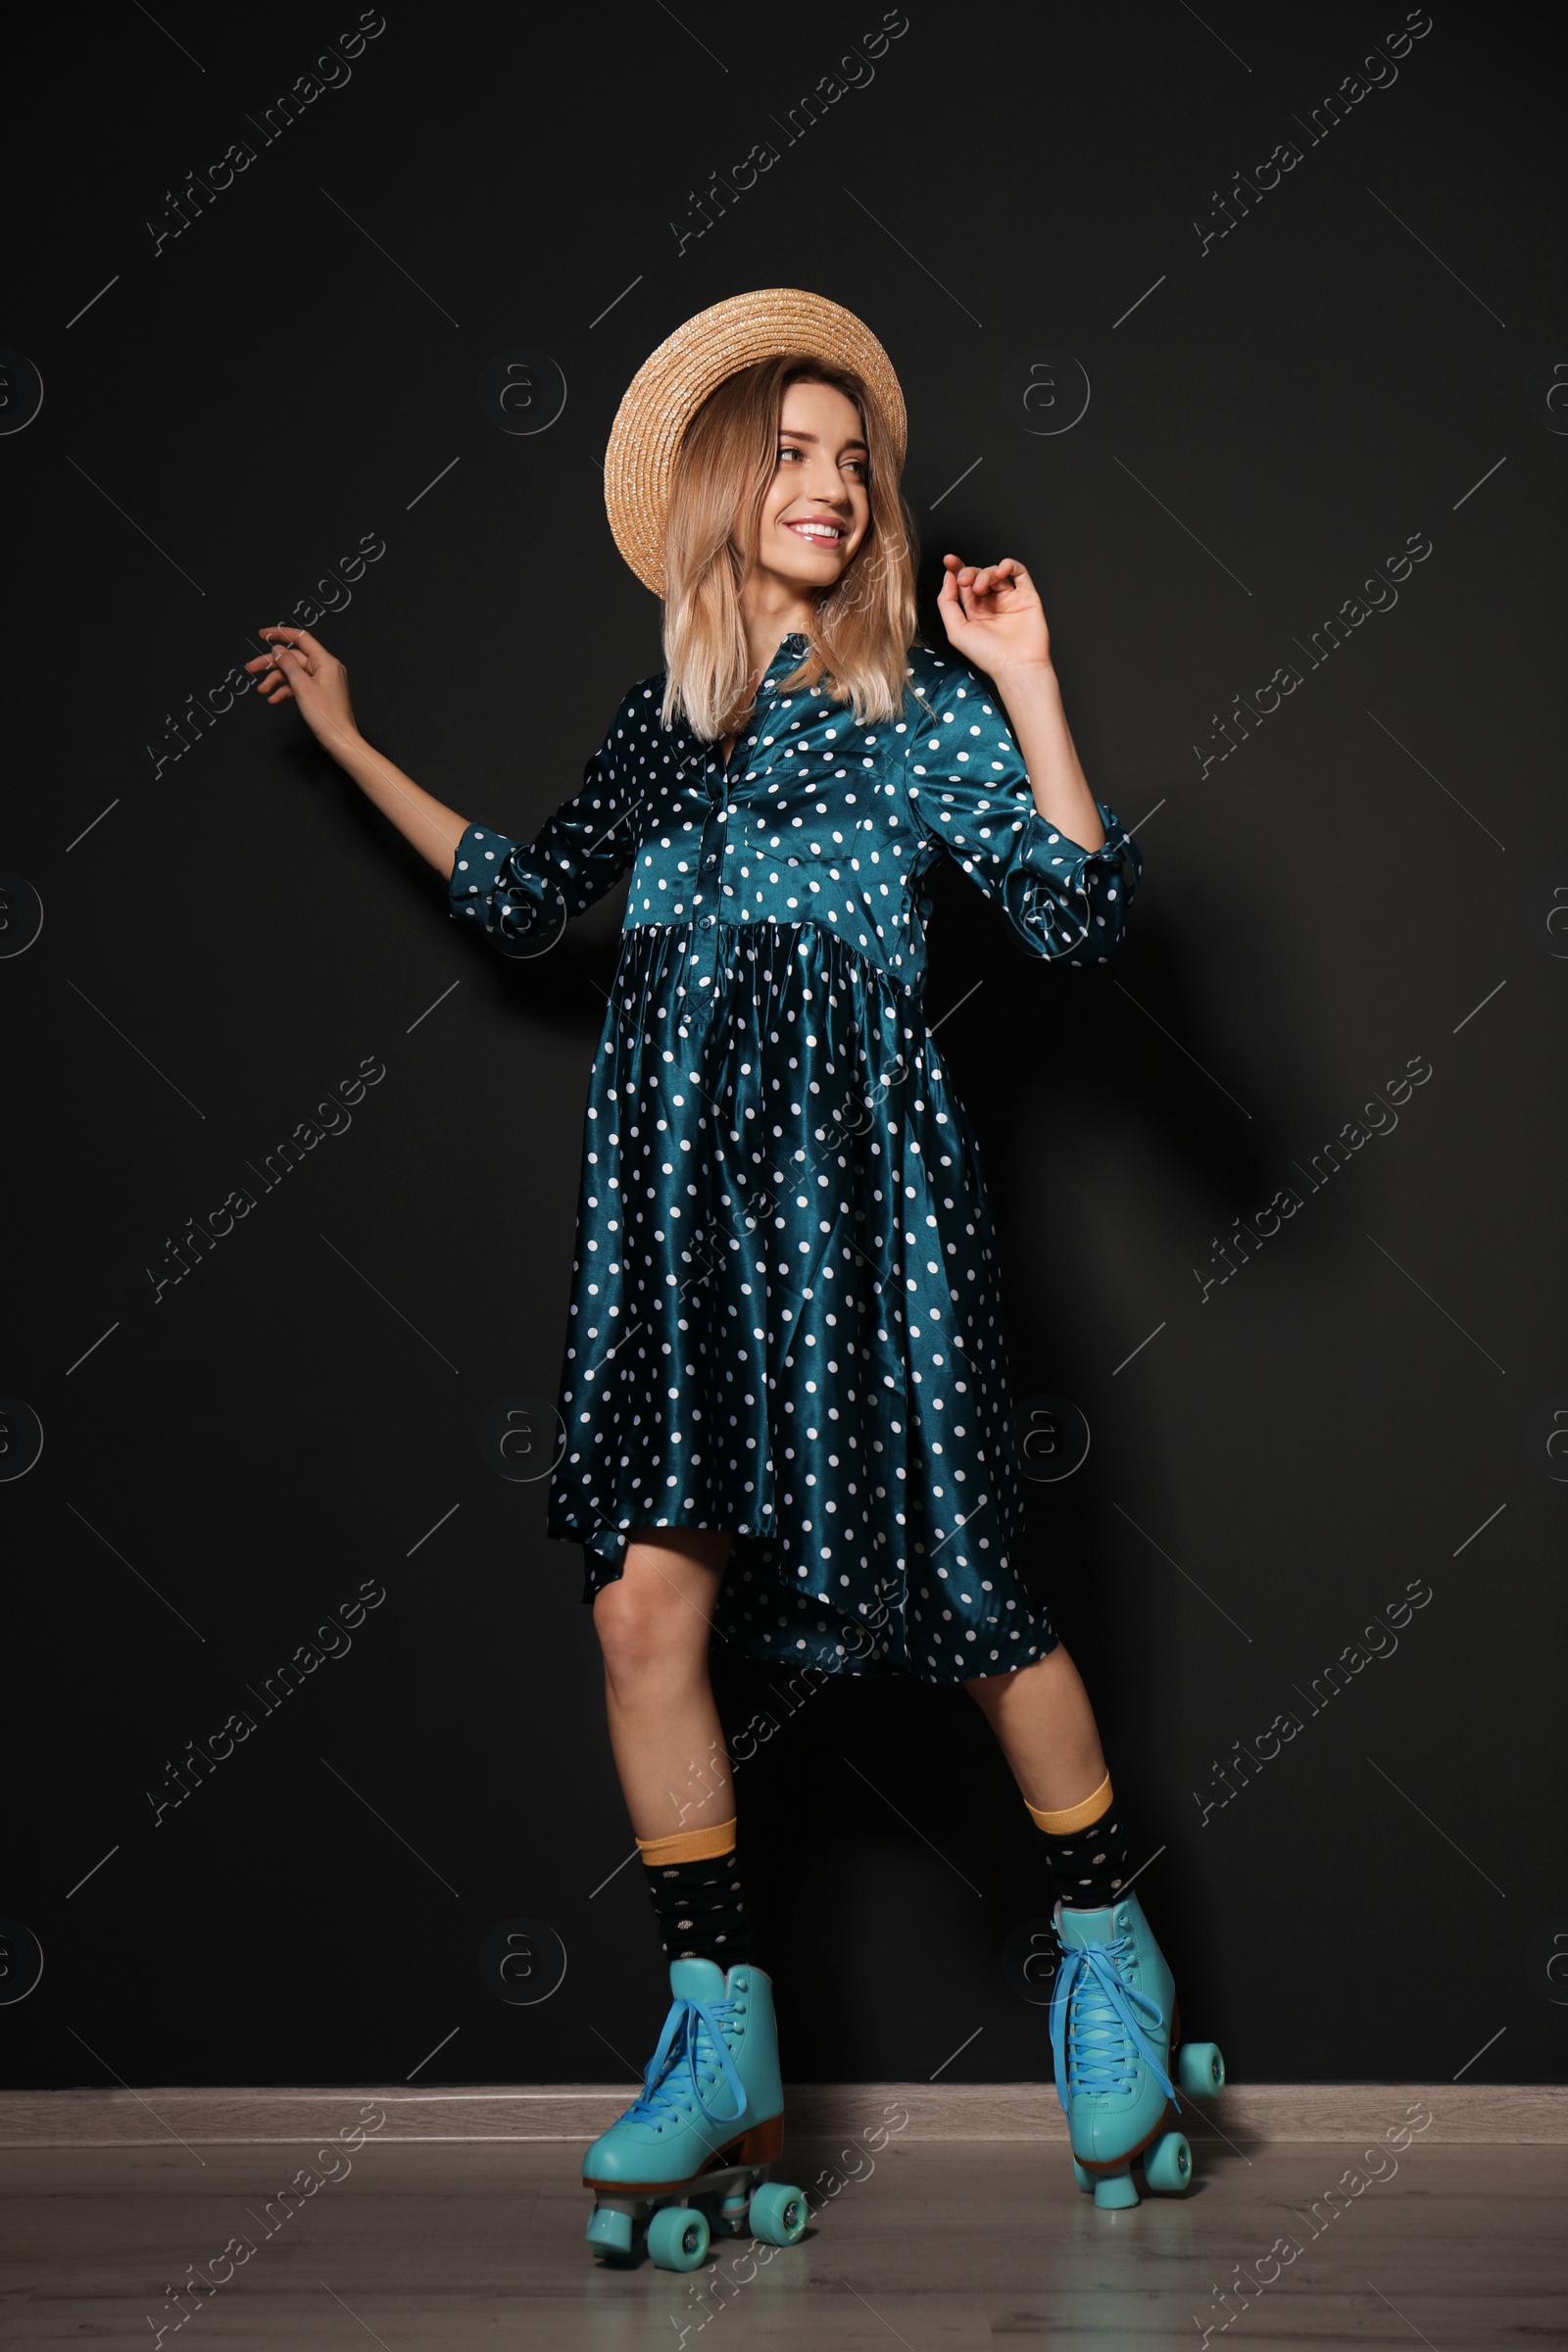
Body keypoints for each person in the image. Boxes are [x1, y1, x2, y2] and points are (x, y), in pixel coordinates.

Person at [249, 289, 1216, 2233]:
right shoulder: (661, 726)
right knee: (635, 1616)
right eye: (789, 450)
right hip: (672, 1206)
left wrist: (1025, 678)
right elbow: (526, 897)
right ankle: (717, 2027)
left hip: (866, 1201)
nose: (833, 485)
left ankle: (1109, 1954)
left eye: (851, 458)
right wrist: (351, 741)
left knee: (970, 1600)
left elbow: (1081, 916)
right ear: (711, 483)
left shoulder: (914, 714)